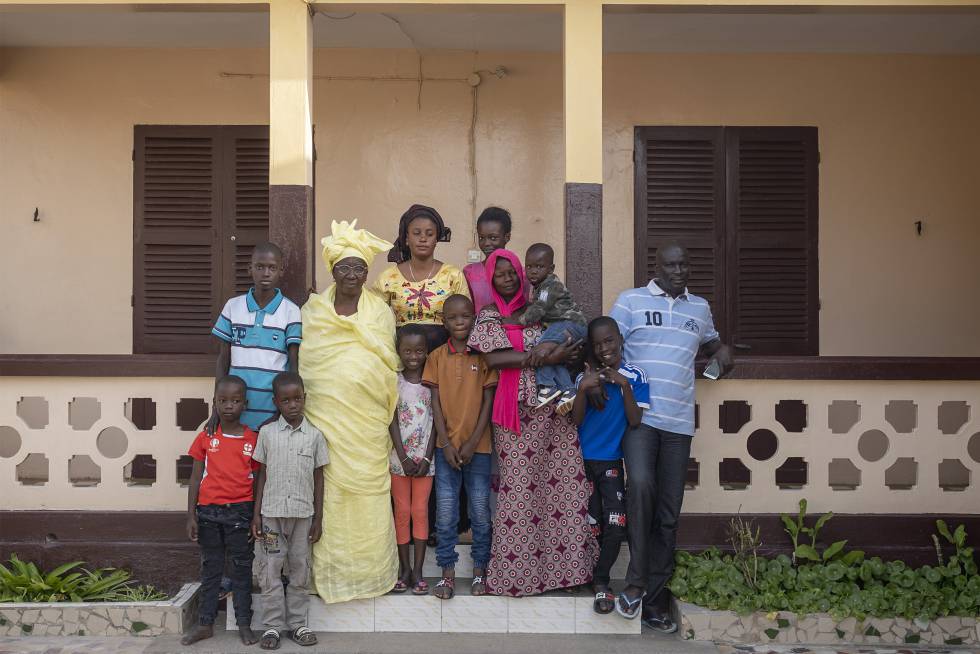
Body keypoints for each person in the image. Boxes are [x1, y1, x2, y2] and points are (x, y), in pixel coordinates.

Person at [610, 243, 733, 631]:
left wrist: (722, 350)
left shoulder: (699, 308)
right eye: (671, 264)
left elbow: (711, 342)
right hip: (641, 420)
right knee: (641, 489)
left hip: (680, 423)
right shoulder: (630, 301)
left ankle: (656, 602)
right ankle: (634, 584)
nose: (678, 270)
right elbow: (607, 345)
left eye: (684, 264)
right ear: (657, 267)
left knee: (668, 512)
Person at [467, 250, 597, 596]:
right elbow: (493, 359)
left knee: (564, 485)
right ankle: (518, 576)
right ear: (491, 280)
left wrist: (553, 355)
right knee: (520, 489)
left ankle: (567, 574)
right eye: (500, 274)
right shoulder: (489, 316)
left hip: (554, 408)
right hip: (516, 411)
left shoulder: (539, 304)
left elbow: (572, 341)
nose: (508, 279)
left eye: (513, 273)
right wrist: (543, 356)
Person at [299, 220, 401, 603]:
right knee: (328, 499)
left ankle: (371, 574)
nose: (353, 275)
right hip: (324, 423)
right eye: (345, 268)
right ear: (333, 271)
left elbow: (386, 367)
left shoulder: (379, 313)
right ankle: (329, 574)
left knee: (369, 499)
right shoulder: (313, 313)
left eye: (359, 268)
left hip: (367, 427)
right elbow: (307, 366)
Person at [570, 317, 649, 615]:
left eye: (610, 340)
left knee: (616, 526)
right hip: (582, 464)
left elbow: (635, 420)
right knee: (589, 526)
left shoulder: (635, 375)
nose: (605, 348)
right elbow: (576, 421)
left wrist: (624, 384)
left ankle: (601, 579)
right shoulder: (586, 377)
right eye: (599, 343)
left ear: (620, 340)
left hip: (613, 463)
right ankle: (586, 578)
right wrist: (583, 389)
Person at [422, 294, 498, 600]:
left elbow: (488, 404)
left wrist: (471, 442)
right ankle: (447, 574)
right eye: (453, 318)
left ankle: (481, 570)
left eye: (465, 317)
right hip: (445, 449)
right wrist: (447, 442)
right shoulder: (436, 357)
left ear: (474, 319)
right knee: (446, 513)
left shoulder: (484, 356)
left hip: (477, 448)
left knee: (480, 510)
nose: (459, 323)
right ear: (444, 322)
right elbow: (435, 404)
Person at [251, 372, 328, 650]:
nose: (293, 404)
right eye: (286, 400)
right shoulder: (267, 434)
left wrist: (318, 519)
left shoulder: (315, 436)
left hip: (302, 517)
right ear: (276, 402)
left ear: (305, 398)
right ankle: (271, 626)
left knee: (299, 569)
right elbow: (261, 475)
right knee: (270, 570)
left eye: (298, 398)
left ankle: (297, 624)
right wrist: (256, 514)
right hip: (271, 516)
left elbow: (319, 480)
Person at [181, 375, 259, 647]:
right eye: (223, 401)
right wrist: (191, 515)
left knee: (241, 570)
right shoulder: (206, 436)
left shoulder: (252, 439)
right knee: (211, 569)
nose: (229, 406)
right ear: (214, 403)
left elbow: (259, 480)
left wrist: (255, 516)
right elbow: (195, 477)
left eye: (235, 401)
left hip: (240, 513)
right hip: (208, 513)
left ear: (244, 404)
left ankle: (245, 624)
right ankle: (205, 624)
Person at [211, 242, 302, 431]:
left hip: (272, 409)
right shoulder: (232, 307)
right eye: (260, 267)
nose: (266, 273)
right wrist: (215, 410)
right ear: (249, 269)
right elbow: (223, 358)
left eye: (272, 267)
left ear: (281, 270)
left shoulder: (291, 311)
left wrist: (281, 411)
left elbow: (293, 363)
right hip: (235, 408)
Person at [375, 204, 469, 353]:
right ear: (406, 238)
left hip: (444, 356)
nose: (423, 238)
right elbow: (374, 319)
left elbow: (465, 319)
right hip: (404, 358)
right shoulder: (387, 278)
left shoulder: (453, 275)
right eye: (416, 233)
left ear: (436, 239)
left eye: (429, 234)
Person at [388, 325, 436, 596]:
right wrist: (403, 456)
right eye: (407, 350)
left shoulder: (432, 382)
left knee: (420, 512)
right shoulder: (394, 380)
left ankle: (419, 571)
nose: (413, 356)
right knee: (401, 512)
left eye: (419, 350)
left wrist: (427, 457)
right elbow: (391, 419)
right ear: (398, 352)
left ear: (426, 352)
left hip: (425, 462)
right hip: (399, 459)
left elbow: (436, 423)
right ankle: (403, 570)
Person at [512, 243, 587, 413]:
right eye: (529, 266)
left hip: (570, 323)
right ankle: (568, 390)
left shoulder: (550, 285)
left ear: (551, 268)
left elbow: (539, 308)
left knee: (540, 350)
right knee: (553, 356)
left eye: (539, 266)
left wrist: (519, 321)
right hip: (564, 325)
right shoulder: (540, 285)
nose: (533, 271)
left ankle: (547, 387)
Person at [463, 206, 512, 311]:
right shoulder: (470, 273)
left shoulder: (518, 273)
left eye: (493, 238)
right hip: (479, 326)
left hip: (512, 326)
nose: (486, 243)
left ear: (507, 237)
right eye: (481, 238)